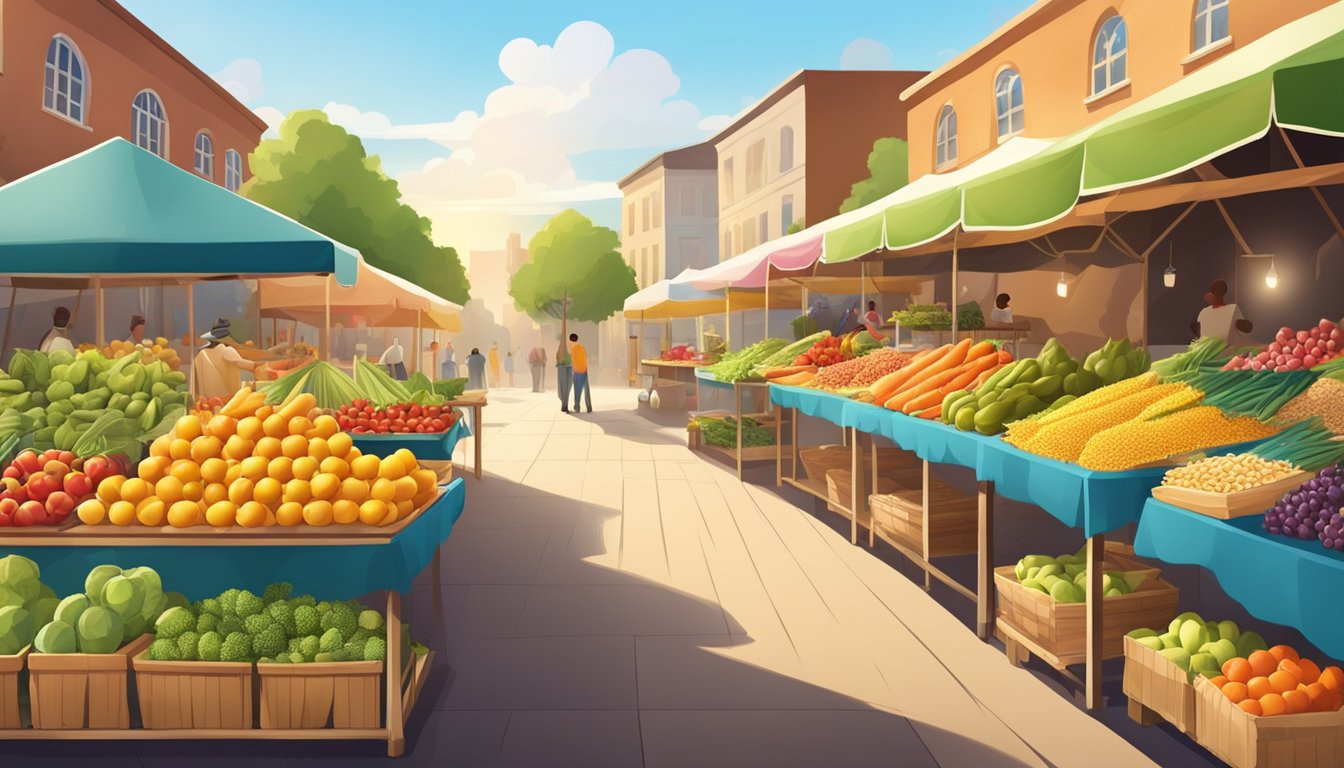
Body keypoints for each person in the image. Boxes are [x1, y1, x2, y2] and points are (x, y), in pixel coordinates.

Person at [193, 318, 260, 400]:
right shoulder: (226, 350)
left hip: (206, 400)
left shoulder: (201, 354)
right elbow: (245, 364)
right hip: (227, 399)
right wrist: (262, 366)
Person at [1192, 280, 1253, 345]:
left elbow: (1244, 330)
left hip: (1225, 349)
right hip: (1214, 349)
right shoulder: (1204, 312)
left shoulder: (1205, 312)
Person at [569, 333, 591, 413]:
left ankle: (577, 407)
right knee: (586, 390)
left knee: (577, 390)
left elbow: (572, 360)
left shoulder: (572, 348)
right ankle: (589, 407)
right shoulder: (582, 347)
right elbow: (585, 357)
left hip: (577, 371)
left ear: (570, 340)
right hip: (584, 370)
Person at [555, 338, 573, 413]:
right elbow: (558, 358)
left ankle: (565, 404)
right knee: (564, 386)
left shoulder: (570, 347)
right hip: (562, 367)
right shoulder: (560, 350)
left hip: (570, 367)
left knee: (568, 386)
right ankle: (564, 405)